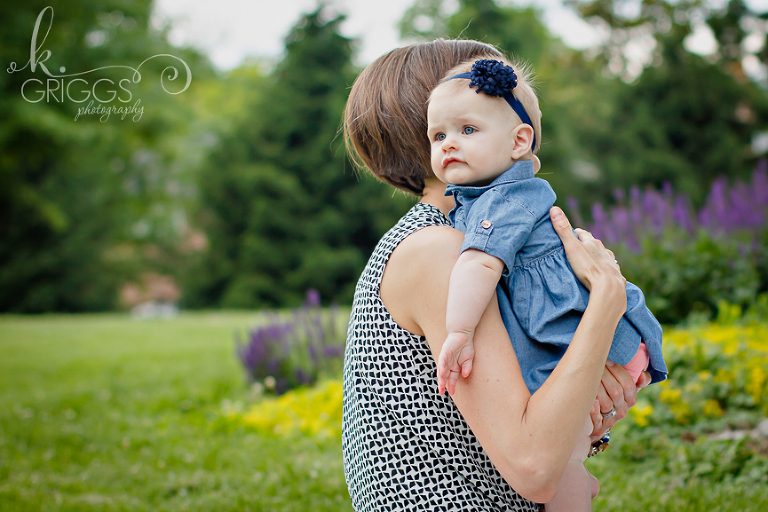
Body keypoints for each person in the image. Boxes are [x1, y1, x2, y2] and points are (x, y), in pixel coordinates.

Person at [342, 39, 650, 511]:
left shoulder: (474, 239)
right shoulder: (439, 251)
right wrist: (605, 302)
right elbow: (533, 468)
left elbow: (516, 433)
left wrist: (584, 408)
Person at [427, 55, 668, 511]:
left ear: (520, 141)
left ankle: (576, 494)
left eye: (467, 131)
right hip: (585, 326)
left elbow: (479, 266)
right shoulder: (490, 194)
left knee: (561, 469)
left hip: (566, 326)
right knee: (567, 455)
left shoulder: (505, 196)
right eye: (438, 136)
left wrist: (458, 333)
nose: (449, 145)